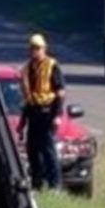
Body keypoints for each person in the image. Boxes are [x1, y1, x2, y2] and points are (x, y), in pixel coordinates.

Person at [17, 33, 65, 191]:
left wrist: (57, 115)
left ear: (44, 49)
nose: (34, 51)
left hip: (48, 112)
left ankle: (55, 185)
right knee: (32, 150)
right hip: (33, 113)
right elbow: (27, 100)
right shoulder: (27, 68)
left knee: (48, 149)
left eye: (38, 48)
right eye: (32, 48)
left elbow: (60, 93)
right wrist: (22, 123)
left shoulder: (52, 66)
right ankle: (37, 183)